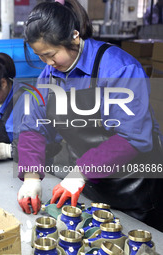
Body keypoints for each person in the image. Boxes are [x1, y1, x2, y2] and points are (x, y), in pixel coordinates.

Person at [17, 0, 163, 231]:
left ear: (74, 36)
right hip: (89, 183)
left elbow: (133, 137)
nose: (48, 64)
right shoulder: (49, 76)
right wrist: (32, 176)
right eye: (40, 56)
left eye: (51, 54)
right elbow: (35, 126)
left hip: (133, 188)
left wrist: (80, 172)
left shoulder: (119, 69)